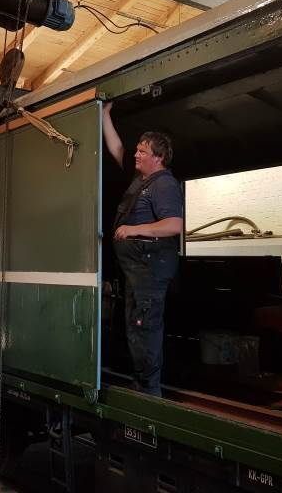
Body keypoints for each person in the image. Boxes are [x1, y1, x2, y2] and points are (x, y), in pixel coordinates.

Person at [102, 101, 183, 397]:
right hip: (137, 273)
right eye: (137, 150)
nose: (136, 154)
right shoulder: (141, 180)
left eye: (142, 151)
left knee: (144, 327)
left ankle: (150, 393)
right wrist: (104, 114)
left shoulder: (163, 184)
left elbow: (174, 224)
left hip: (150, 271)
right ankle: (142, 384)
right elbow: (116, 150)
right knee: (135, 327)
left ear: (158, 158)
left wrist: (133, 229)